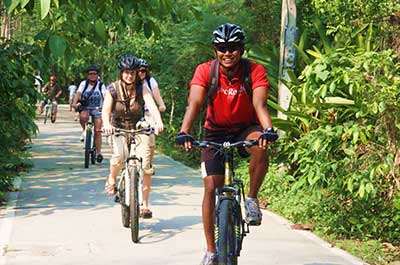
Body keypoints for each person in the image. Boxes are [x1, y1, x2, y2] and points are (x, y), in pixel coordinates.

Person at [175, 23, 278, 265]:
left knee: (260, 144)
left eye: (232, 48)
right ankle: (211, 251)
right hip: (215, 132)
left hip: (245, 128)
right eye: (222, 48)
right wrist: (184, 131)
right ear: (215, 50)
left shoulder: (254, 71)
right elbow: (194, 103)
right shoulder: (205, 71)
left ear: (241, 50)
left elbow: (260, 105)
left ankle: (252, 198)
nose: (227, 53)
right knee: (211, 188)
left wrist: (269, 129)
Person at [102, 55, 164, 219]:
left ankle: (143, 202)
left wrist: (158, 122)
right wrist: (107, 124)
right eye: (126, 72)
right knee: (120, 156)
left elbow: (151, 105)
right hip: (118, 127)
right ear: (121, 73)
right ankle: (112, 178)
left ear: (137, 74)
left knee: (145, 163)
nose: (129, 76)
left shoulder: (142, 88)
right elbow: (105, 111)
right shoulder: (113, 88)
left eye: (133, 73)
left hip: (138, 128)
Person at [72, 65, 107, 163]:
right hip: (86, 107)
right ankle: (84, 130)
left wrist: (107, 107)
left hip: (97, 108)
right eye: (90, 74)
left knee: (98, 130)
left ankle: (99, 152)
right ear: (88, 75)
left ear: (97, 75)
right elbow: (78, 94)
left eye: (94, 74)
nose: (92, 76)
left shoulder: (101, 85)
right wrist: (74, 103)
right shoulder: (84, 84)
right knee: (83, 116)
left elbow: (105, 96)